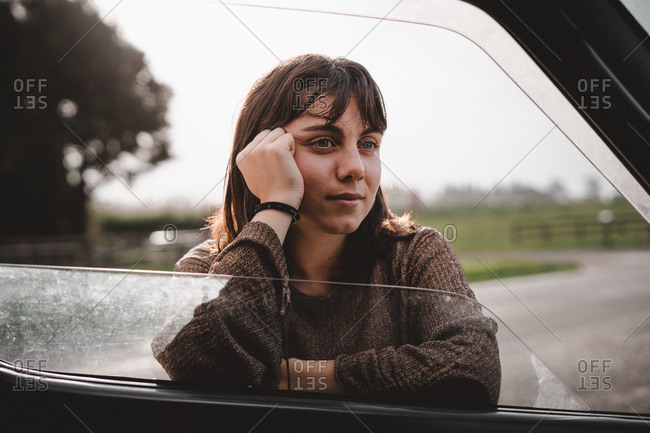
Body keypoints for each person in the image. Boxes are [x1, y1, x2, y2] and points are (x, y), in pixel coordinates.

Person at [152, 54, 501, 405]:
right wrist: (276, 203)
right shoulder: (207, 268)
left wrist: (295, 377)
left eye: (367, 144)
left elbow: (473, 368)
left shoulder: (413, 254)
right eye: (323, 142)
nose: (354, 168)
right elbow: (199, 364)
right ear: (263, 155)